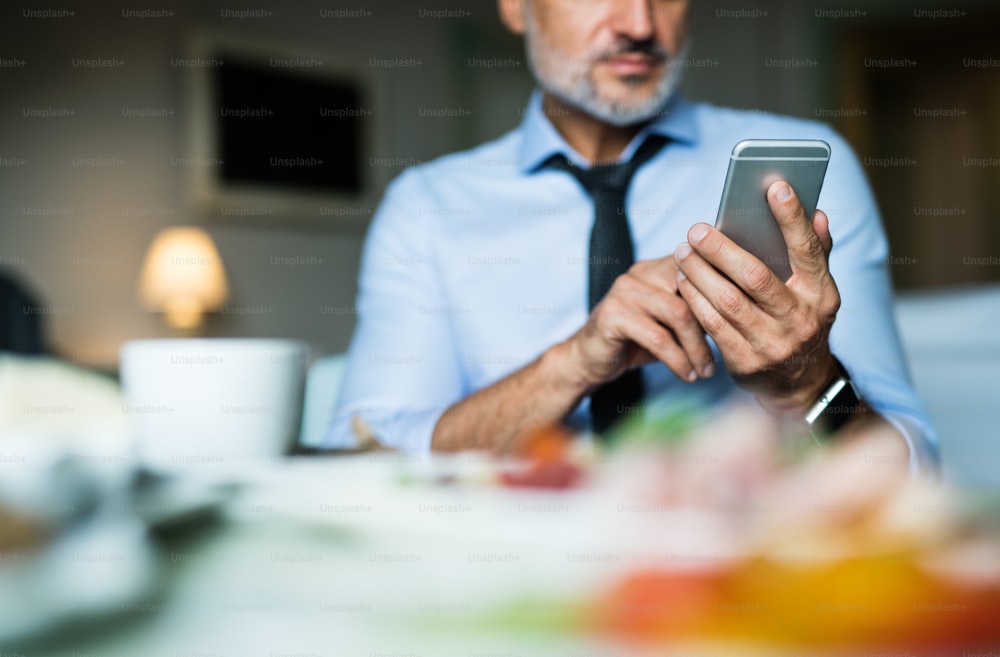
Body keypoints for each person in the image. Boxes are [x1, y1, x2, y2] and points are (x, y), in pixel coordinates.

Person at [326, 0, 939, 473]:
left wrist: (808, 383)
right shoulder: (427, 207)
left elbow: (913, 478)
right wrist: (573, 363)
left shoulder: (809, 170)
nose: (641, 24)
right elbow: (362, 467)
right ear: (515, 6)